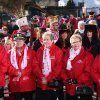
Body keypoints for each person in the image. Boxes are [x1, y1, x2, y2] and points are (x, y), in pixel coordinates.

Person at [7, 33, 42, 100]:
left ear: (24, 41)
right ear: (14, 41)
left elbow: (33, 66)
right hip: (15, 83)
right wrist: (16, 72)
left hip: (28, 83)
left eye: (20, 40)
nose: (18, 42)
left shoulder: (31, 52)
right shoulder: (9, 53)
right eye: (16, 40)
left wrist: (23, 73)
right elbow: (8, 66)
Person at [61, 34, 94, 100]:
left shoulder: (87, 55)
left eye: (77, 41)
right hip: (69, 87)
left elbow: (88, 72)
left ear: (81, 42)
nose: (75, 44)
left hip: (82, 88)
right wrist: (66, 79)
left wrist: (77, 80)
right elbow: (62, 68)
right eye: (73, 42)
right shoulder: (67, 54)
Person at [35, 31, 63, 100]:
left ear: (52, 40)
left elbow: (58, 67)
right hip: (41, 82)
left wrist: (48, 78)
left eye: (47, 39)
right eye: (44, 39)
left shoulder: (58, 51)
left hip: (52, 83)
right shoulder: (39, 50)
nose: (46, 41)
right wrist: (41, 77)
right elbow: (35, 65)